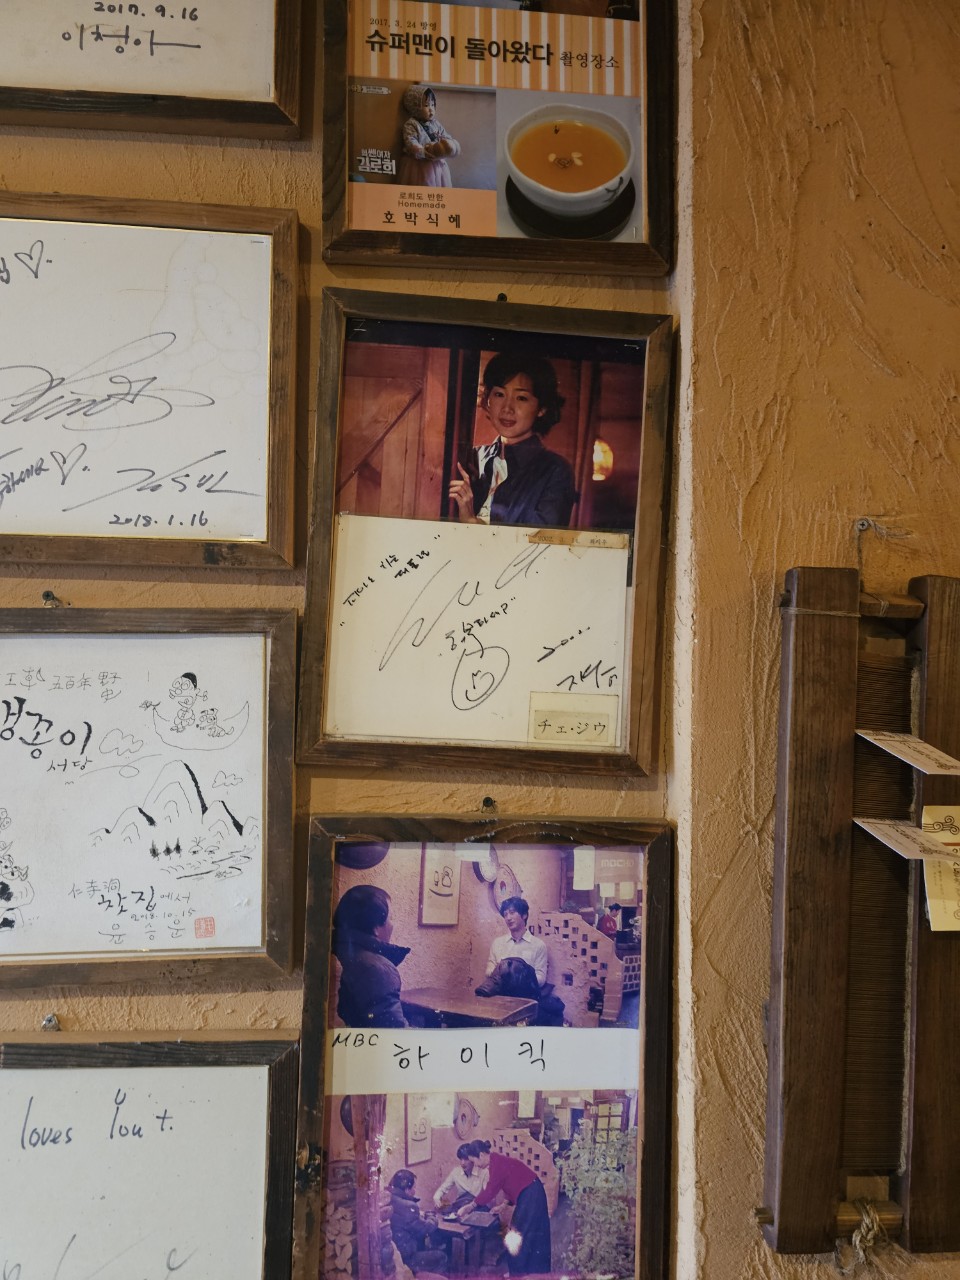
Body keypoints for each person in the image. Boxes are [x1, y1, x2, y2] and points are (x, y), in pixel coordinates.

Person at [448, 352, 577, 528]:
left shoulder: (555, 471)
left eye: (521, 398)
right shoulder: (472, 457)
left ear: (542, 408)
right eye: (499, 394)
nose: (507, 408)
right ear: (487, 399)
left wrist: (472, 523)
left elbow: (539, 541)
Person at [455, 1140, 551, 1275]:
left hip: (531, 1195)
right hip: (532, 1193)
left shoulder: (497, 1165)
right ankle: (526, 1272)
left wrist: (470, 1206)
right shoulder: (496, 1161)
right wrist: (502, 1206)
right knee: (528, 1233)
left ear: (481, 1155)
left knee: (518, 1235)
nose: (475, 1165)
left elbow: (490, 1191)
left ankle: (518, 1274)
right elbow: (511, 1184)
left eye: (474, 1161)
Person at [332, 884, 410, 1028]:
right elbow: (394, 1032)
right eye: (391, 918)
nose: (392, 925)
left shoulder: (348, 956)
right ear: (375, 927)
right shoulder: (377, 970)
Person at [397, 84, 461, 188]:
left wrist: (448, 143)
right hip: (419, 164)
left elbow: (444, 135)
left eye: (432, 104)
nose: (431, 109)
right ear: (415, 107)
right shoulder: (411, 124)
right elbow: (410, 141)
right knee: (424, 184)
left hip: (437, 162)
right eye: (426, 105)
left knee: (439, 185)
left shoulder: (436, 123)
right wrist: (421, 151)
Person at [388, 1170, 448, 1275]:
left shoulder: (389, 1198)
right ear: (407, 1190)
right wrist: (432, 1217)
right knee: (442, 1256)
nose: (415, 1191)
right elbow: (427, 1228)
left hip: (393, 1255)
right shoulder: (409, 1206)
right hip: (407, 1257)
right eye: (414, 1188)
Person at [485, 897, 549, 987]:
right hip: (500, 992)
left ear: (524, 915)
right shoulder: (497, 943)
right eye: (505, 914)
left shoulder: (538, 945)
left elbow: (541, 979)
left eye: (512, 912)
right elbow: (489, 971)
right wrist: (501, 973)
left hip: (525, 994)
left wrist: (519, 979)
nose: (508, 918)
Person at [433, 1143, 489, 1211]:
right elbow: (443, 1188)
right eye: (461, 1159)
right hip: (460, 1207)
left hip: (477, 1207)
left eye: (466, 1159)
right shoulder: (456, 1172)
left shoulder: (484, 1172)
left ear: (472, 1159)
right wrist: (436, 1198)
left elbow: (487, 1195)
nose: (463, 1163)